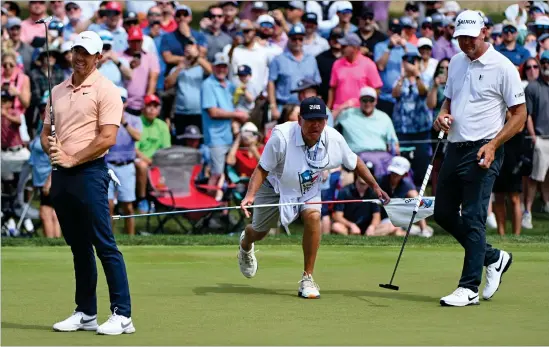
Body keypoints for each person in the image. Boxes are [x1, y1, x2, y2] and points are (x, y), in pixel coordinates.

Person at [237, 96, 390, 299]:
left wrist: (375, 187)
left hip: (308, 188)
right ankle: (245, 244)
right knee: (259, 232)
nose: (315, 125)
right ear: (300, 120)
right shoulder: (281, 137)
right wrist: (250, 195)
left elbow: (355, 162)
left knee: (313, 217)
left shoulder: (333, 139)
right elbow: (262, 169)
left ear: (326, 120)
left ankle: (307, 278)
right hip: (274, 185)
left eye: (320, 119)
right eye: (310, 120)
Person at [41, 31, 134, 334]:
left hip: (91, 173)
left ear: (99, 57)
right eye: (76, 51)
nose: (80, 57)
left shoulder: (106, 90)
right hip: (62, 175)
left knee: (104, 244)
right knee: (79, 247)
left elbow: (107, 137)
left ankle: (123, 315)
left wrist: (72, 158)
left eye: (87, 53)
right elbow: (45, 133)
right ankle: (86, 312)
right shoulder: (57, 91)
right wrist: (51, 148)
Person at [432, 11, 527, 307]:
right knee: (443, 213)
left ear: (484, 32)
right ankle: (494, 257)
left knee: (473, 215)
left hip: (485, 149)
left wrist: (494, 144)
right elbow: (449, 99)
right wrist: (442, 115)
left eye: (470, 37)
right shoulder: (457, 62)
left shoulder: (504, 67)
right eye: (460, 37)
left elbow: (519, 116)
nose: (465, 43)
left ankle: (468, 287)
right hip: (455, 147)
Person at [106, 87, 142, 236]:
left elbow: (138, 137)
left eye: (122, 101)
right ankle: (108, 238)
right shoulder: (105, 119)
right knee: (108, 207)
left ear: (126, 103)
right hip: (107, 166)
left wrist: (124, 122)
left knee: (128, 207)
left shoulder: (134, 119)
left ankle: (131, 237)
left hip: (126, 166)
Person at [523, 50, 549, 227]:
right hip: (540, 138)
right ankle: (527, 212)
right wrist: (533, 137)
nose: (546, 65)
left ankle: (547, 205)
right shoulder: (532, 87)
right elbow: (528, 115)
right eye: (544, 62)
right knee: (535, 177)